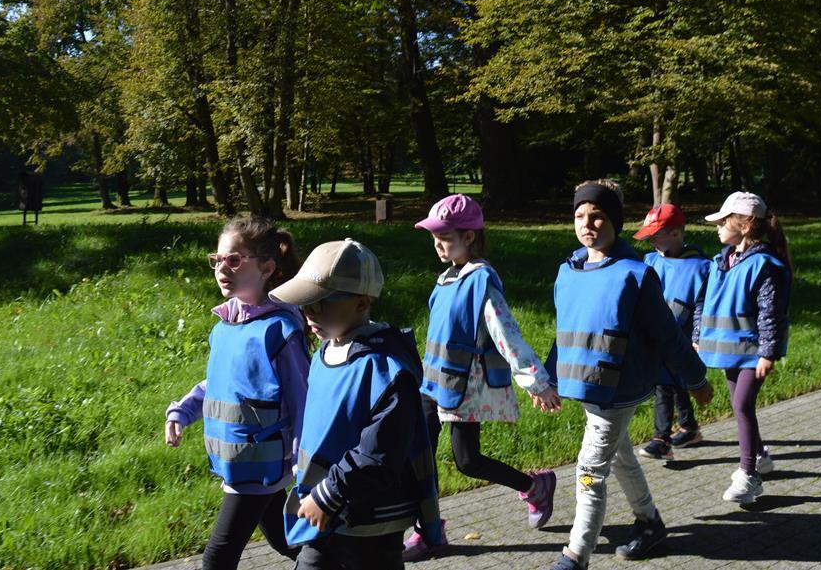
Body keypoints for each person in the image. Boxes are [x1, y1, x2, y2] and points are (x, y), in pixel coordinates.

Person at [547, 181, 713, 570]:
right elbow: (564, 331)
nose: (587, 224)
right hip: (585, 386)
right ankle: (650, 522)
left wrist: (697, 380)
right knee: (621, 456)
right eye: (579, 216)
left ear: (616, 222)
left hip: (617, 391)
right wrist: (550, 378)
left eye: (597, 216)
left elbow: (669, 336)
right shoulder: (568, 271)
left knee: (590, 470)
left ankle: (576, 555)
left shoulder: (635, 275)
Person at [404, 194, 561, 561]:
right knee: (418, 456)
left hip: (462, 386)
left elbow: (507, 335)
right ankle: (428, 531)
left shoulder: (481, 281)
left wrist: (536, 382)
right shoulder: (445, 279)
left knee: (468, 461)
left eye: (444, 237)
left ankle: (534, 487)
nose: (437, 244)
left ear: (469, 236)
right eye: (434, 237)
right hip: (431, 383)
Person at [270, 238, 441, 570]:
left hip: (368, 523)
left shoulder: (387, 371)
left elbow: (379, 453)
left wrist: (329, 494)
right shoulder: (325, 352)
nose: (309, 313)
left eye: (321, 302)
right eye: (305, 303)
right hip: (324, 511)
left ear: (362, 303)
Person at [164, 217, 308, 569]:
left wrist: (306, 467)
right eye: (217, 260)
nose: (221, 268)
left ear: (266, 268)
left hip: (259, 467)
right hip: (239, 464)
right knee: (287, 541)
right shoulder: (224, 326)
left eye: (234, 260)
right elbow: (218, 385)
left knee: (217, 558)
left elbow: (303, 402)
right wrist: (181, 411)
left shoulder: (280, 331)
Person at [694, 192, 791, 504]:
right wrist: (698, 335)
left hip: (752, 352)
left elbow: (770, 312)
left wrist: (767, 353)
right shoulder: (720, 261)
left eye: (723, 221)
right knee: (740, 405)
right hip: (728, 351)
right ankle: (760, 457)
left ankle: (749, 475)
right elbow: (702, 301)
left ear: (745, 225)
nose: (718, 226)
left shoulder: (765, 265)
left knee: (742, 406)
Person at [633, 203, 711, 460]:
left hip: (680, 338)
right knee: (672, 382)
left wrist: (698, 339)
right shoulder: (650, 261)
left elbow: (702, 307)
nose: (651, 241)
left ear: (676, 234)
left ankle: (661, 439)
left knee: (665, 384)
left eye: (656, 235)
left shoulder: (701, 268)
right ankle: (689, 427)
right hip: (655, 336)